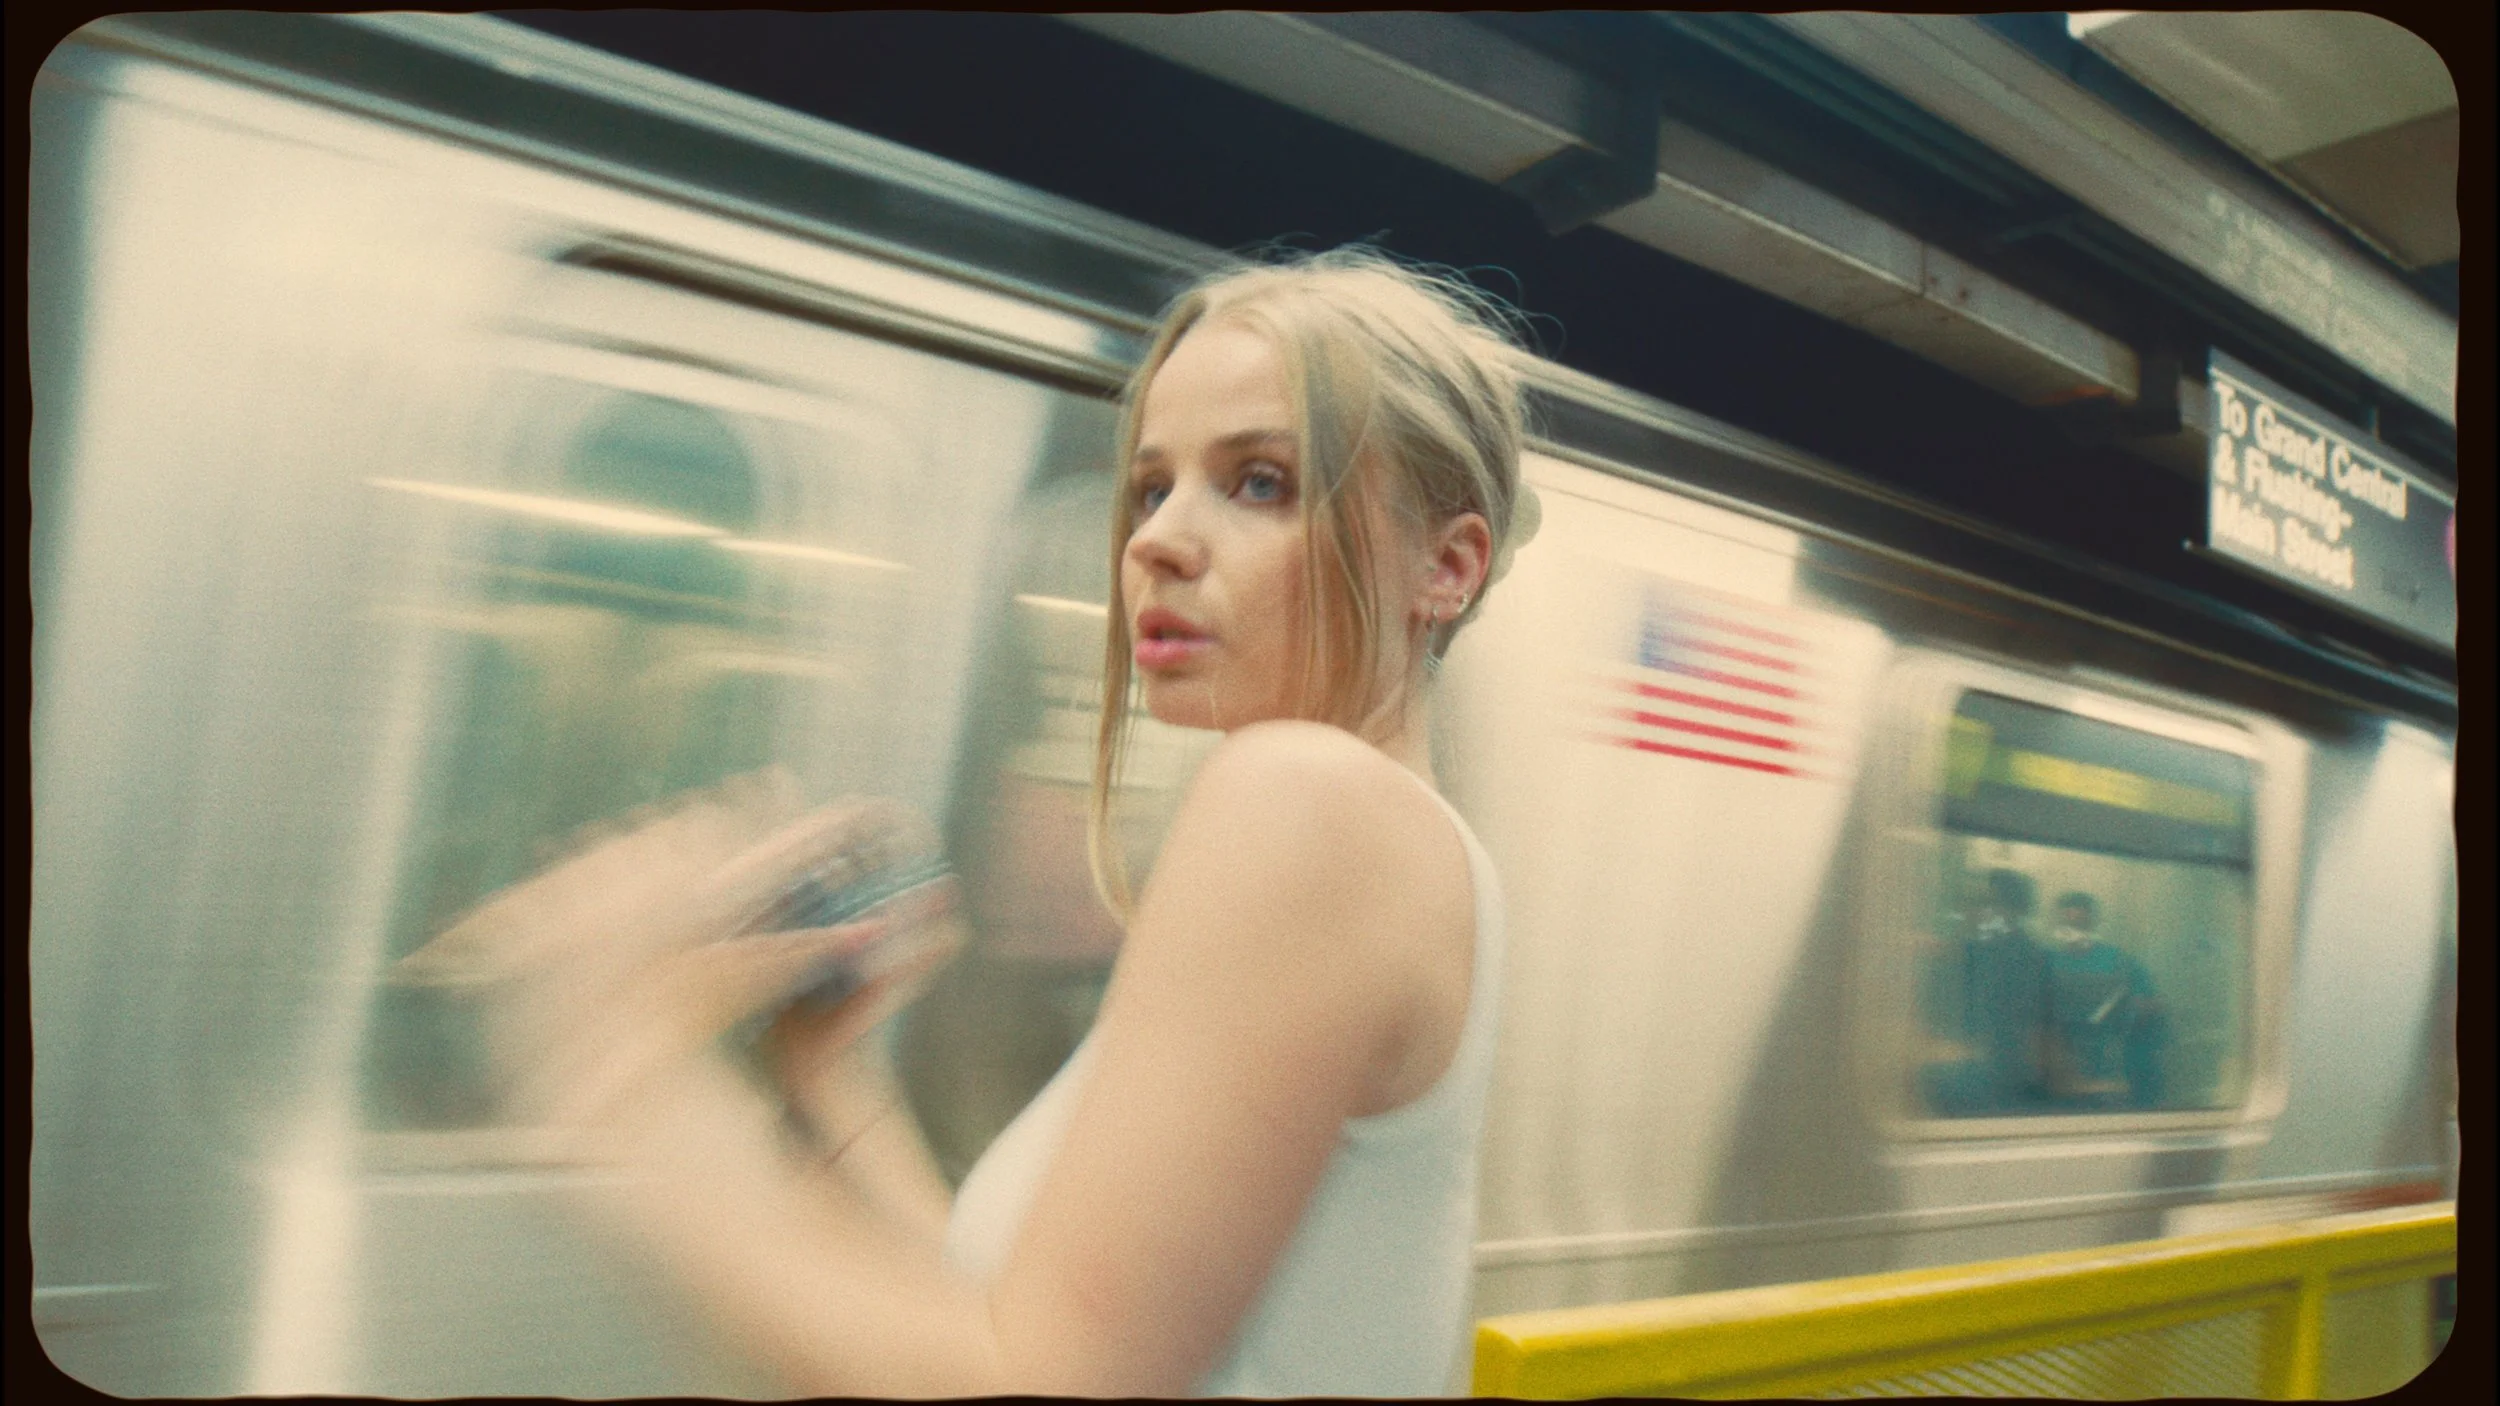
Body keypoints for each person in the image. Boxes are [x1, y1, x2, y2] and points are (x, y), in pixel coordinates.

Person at [410, 247, 1540, 1397]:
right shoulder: (1400, 846)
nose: (1151, 539)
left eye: (1258, 482)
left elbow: (1042, 1382)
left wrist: (620, 1077)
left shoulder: (1309, 802)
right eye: (1151, 487)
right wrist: (832, 1079)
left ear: (1444, 567)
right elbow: (1029, 1321)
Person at [2041, 891, 2167, 1109]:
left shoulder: (2118, 961)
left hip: (2109, 1066)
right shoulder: (2046, 963)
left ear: (2092, 923)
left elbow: (2152, 1005)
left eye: (2080, 924)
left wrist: (2131, 1009)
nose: (2073, 931)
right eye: (2067, 923)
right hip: (2058, 1065)